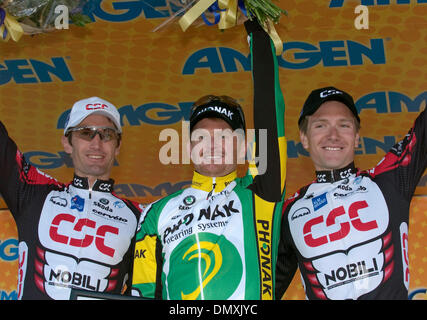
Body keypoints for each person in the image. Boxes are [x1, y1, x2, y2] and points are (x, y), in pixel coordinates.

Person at [131, 20, 287, 300]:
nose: (213, 146)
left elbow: (268, 108)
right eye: (202, 138)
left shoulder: (260, 193)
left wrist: (258, 35)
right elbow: (142, 292)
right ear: (188, 147)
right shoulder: (157, 213)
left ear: (243, 148)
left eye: (225, 138)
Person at [275, 86, 426, 300]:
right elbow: (262, 289)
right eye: (320, 125)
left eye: (344, 125)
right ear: (304, 138)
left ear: (356, 137)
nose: (333, 135)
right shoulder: (288, 213)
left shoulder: (388, 181)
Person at [0, 97, 142, 299]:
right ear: (67, 142)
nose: (97, 143)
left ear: (117, 147)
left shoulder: (141, 218)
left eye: (107, 134)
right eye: (86, 133)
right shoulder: (35, 193)